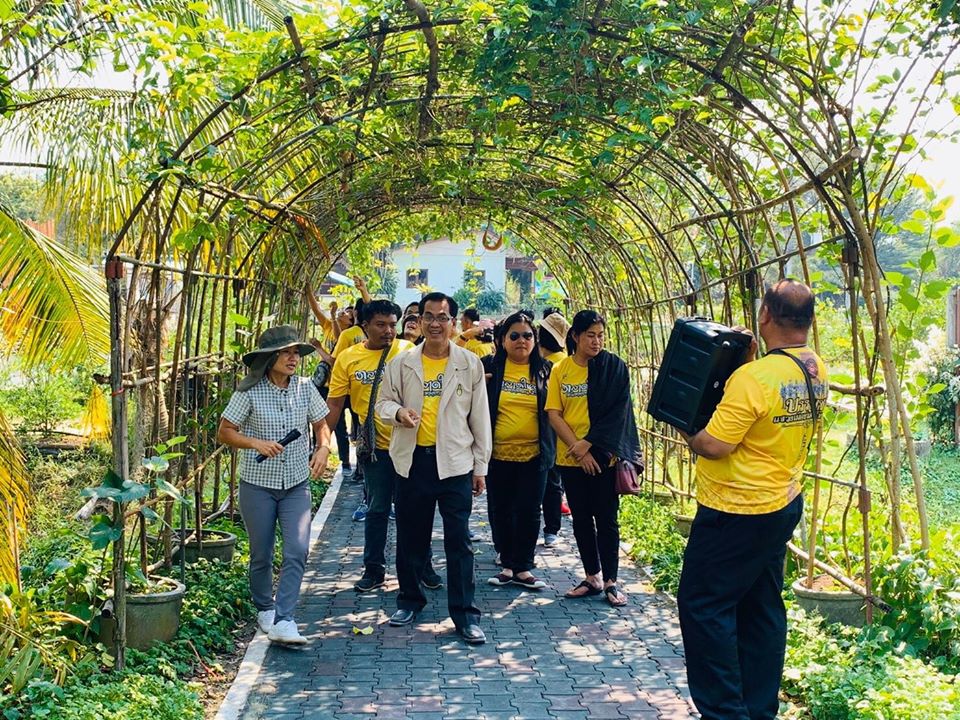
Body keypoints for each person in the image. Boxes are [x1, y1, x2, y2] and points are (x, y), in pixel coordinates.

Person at [674, 279, 826, 720]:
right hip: (782, 502)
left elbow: (714, 445)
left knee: (704, 606)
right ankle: (759, 709)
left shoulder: (753, 378)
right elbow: (767, 410)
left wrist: (683, 422)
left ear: (765, 315)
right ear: (808, 320)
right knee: (761, 607)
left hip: (736, 509)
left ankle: (724, 712)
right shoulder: (813, 366)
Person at [376, 292, 492, 645]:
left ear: (453, 323)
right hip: (413, 461)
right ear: (420, 320)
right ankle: (410, 600)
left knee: (459, 541)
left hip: (455, 463)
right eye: (429, 316)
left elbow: (480, 417)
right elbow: (382, 403)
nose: (435, 323)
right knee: (412, 537)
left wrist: (480, 466)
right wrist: (398, 413)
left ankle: (465, 614)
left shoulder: (469, 363)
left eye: (443, 317)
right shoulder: (402, 362)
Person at [217, 325, 331, 645]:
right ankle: (265, 607)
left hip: (296, 483)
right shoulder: (248, 392)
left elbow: (322, 425)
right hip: (258, 485)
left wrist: (323, 448)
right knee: (261, 554)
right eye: (286, 353)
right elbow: (225, 431)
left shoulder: (305, 388)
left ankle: (285, 619)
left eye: (296, 352)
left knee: (297, 549)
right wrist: (256, 443)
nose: (293, 358)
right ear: (269, 358)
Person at [326, 300, 442, 592]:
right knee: (377, 509)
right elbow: (335, 403)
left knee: (415, 509)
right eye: (381, 325)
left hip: (413, 446)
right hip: (376, 449)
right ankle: (374, 570)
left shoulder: (409, 351)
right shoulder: (348, 358)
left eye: (392, 324)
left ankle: (422, 565)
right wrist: (322, 442)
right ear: (365, 326)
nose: (389, 331)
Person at [546, 310, 640, 608]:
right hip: (570, 458)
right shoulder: (561, 370)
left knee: (607, 519)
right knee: (581, 519)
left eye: (600, 335)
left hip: (603, 457)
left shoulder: (614, 367)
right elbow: (554, 413)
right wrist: (577, 448)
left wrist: (588, 446)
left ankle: (611, 581)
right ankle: (592, 577)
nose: (597, 341)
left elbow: (618, 412)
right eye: (590, 335)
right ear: (575, 336)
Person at [483, 311, 555, 590]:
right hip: (497, 454)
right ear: (502, 340)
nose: (521, 341)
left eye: (527, 335)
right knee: (501, 509)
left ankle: (523, 567)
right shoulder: (489, 367)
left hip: (535, 455)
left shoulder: (546, 370)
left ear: (535, 340)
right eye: (514, 335)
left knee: (529, 510)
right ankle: (507, 564)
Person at [537, 310, 572, 544]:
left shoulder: (547, 364)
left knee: (548, 478)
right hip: (568, 430)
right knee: (555, 481)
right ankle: (552, 529)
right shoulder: (568, 361)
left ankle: (549, 528)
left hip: (548, 430)